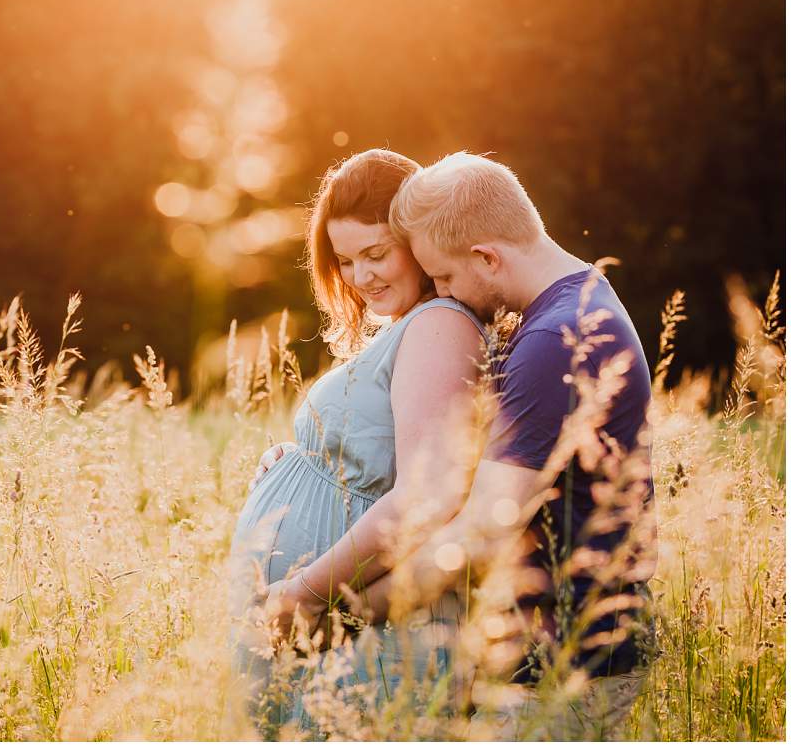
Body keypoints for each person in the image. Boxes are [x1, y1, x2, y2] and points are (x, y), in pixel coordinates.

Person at [262, 152, 657, 740]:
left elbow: (478, 532)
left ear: (487, 257)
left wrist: (336, 607)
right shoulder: (561, 316)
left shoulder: (555, 340)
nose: (444, 295)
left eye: (444, 278)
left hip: (562, 667)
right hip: (542, 660)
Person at [228, 149, 488, 738]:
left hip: (368, 628)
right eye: (345, 261)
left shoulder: (439, 324)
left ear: (419, 242)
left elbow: (426, 493)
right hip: (331, 625)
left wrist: (303, 591)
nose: (361, 277)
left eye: (376, 254)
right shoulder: (407, 328)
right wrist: (302, 462)